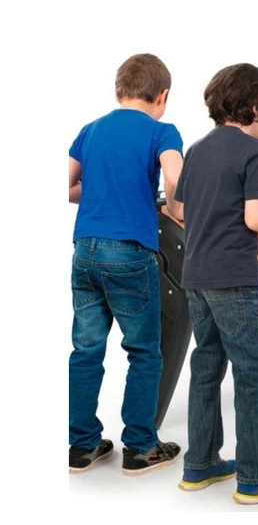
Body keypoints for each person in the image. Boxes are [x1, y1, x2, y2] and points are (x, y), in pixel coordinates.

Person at [174, 63, 258, 504]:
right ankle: (256, 477)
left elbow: (180, 210)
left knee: (206, 369)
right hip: (234, 279)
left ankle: (199, 465)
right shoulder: (255, 152)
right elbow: (256, 218)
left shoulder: (197, 149)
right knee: (253, 376)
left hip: (196, 277)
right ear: (254, 109)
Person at [69, 53, 184, 475]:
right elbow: (176, 178)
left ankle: (81, 446)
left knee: (86, 350)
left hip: (85, 251)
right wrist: (178, 209)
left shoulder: (91, 129)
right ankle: (140, 447)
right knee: (144, 352)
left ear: (119, 91)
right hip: (130, 254)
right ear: (162, 95)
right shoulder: (162, 131)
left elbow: (64, 184)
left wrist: (102, 191)